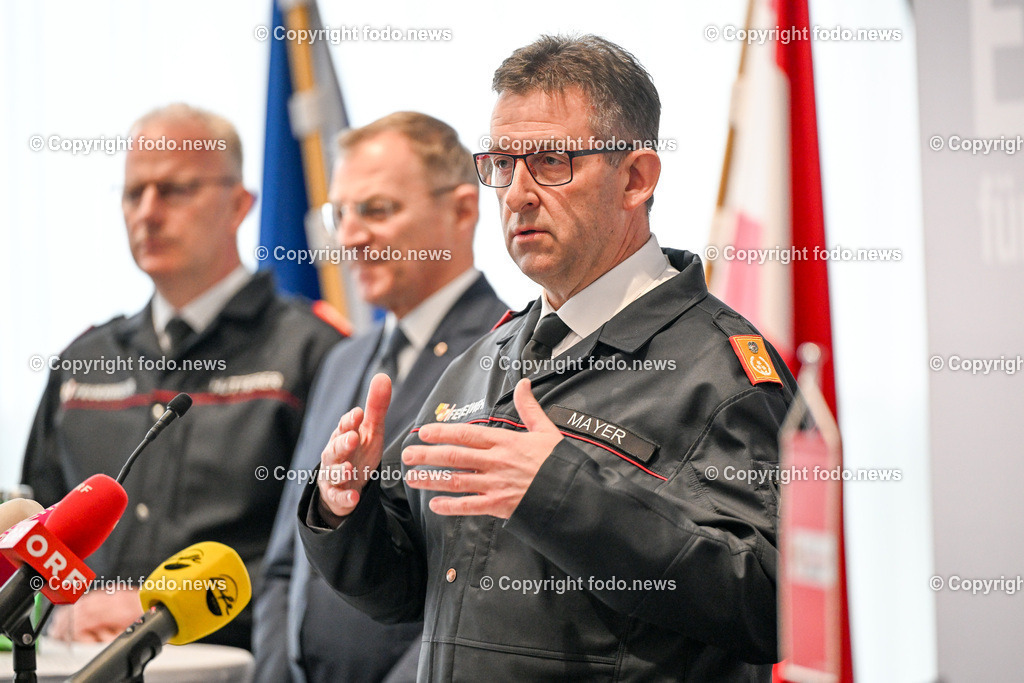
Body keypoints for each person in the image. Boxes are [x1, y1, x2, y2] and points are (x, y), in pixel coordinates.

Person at [300, 35, 798, 681]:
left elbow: (769, 602)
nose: (516, 193)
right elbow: (404, 595)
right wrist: (346, 509)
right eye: (503, 163)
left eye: (552, 161)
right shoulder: (483, 359)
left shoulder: (721, 369)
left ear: (636, 178)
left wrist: (558, 492)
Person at [20, 103, 344, 649]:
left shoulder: (316, 351)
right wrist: (60, 609)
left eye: (173, 191)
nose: (147, 212)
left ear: (240, 204)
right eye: (133, 193)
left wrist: (155, 609)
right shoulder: (82, 359)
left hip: (240, 665)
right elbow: (34, 528)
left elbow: (329, 549)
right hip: (80, 662)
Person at [253, 112, 507, 683]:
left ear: (463, 210)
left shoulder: (507, 356)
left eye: (377, 209)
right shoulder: (344, 357)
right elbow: (286, 563)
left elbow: (479, 590)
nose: (349, 236)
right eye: (340, 213)